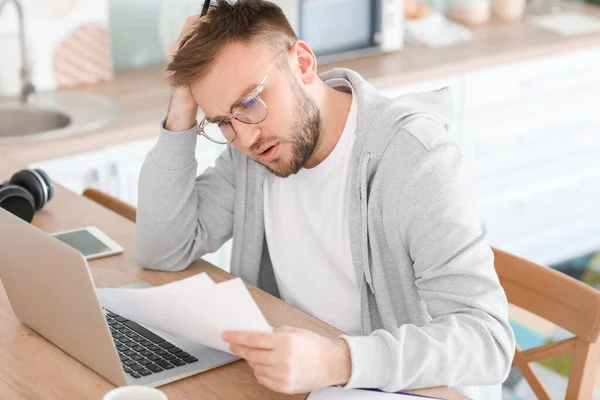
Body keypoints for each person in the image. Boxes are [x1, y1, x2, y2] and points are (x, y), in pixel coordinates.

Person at [135, 0, 515, 398]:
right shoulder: (252, 155)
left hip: (412, 387)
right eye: (222, 122)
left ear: (302, 63)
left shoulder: (416, 159)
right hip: (308, 382)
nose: (244, 137)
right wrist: (181, 102)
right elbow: (163, 248)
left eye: (249, 103)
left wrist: (339, 361)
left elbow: (487, 341)